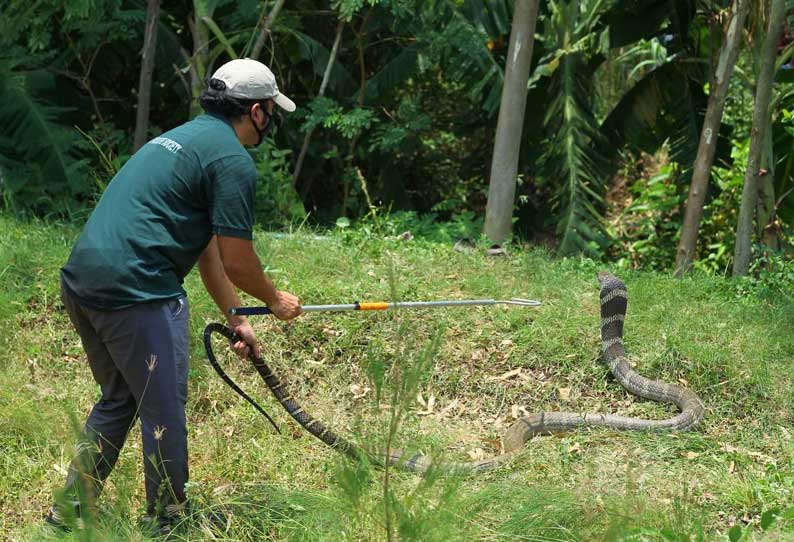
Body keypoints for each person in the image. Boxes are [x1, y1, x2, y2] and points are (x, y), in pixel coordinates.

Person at [46, 58, 302, 534]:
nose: (271, 120)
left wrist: (237, 317)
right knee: (162, 409)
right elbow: (240, 262)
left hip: (83, 280)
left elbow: (207, 253)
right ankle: (168, 522)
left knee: (120, 396)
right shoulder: (231, 160)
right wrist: (274, 300)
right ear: (258, 111)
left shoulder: (182, 138)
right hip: (137, 291)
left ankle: (69, 510)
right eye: (271, 110)